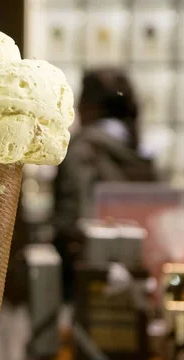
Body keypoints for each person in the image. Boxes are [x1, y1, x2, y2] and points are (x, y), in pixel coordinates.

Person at [53, 67, 156, 302]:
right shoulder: (141, 151)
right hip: (140, 275)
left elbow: (72, 218)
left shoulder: (81, 150)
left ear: (88, 106)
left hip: (91, 281)